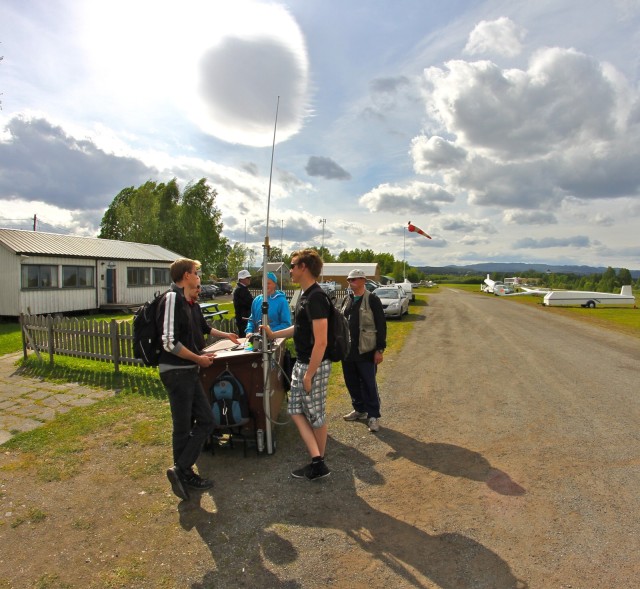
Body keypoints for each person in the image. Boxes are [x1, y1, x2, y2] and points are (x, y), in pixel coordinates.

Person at [158, 258, 240, 501]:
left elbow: (201, 329)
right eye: (196, 273)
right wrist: (198, 358)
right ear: (185, 276)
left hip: (188, 370)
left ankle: (181, 470)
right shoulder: (172, 298)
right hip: (176, 371)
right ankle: (183, 472)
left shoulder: (187, 301)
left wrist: (201, 355)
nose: (199, 277)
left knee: (205, 420)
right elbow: (169, 342)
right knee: (184, 426)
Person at [261, 249, 331, 480]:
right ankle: (318, 460)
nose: (289, 270)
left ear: (304, 267)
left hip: (313, 365)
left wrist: (309, 374)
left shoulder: (317, 297)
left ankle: (318, 462)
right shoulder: (305, 295)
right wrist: (274, 334)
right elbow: (299, 328)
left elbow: (321, 341)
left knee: (316, 416)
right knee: (295, 411)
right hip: (302, 363)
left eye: (292, 265)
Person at [340, 269, 387, 432]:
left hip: (366, 351)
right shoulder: (347, 299)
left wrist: (379, 349)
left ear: (363, 281)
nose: (350, 282)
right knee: (351, 382)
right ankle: (359, 409)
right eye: (348, 280)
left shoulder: (372, 299)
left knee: (368, 384)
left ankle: (373, 416)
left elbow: (381, 325)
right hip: (348, 351)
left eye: (353, 279)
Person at [245, 271, 292, 336]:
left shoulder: (282, 301)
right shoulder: (257, 300)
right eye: (264, 283)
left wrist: (270, 331)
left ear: (274, 284)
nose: (265, 285)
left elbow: (286, 324)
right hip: (258, 338)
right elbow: (252, 319)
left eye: (268, 283)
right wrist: (249, 331)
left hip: (276, 338)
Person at [233, 269, 253, 336]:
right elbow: (249, 302)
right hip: (243, 319)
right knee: (245, 337)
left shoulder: (242, 288)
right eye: (247, 278)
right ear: (242, 279)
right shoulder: (240, 290)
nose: (249, 279)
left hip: (243, 318)